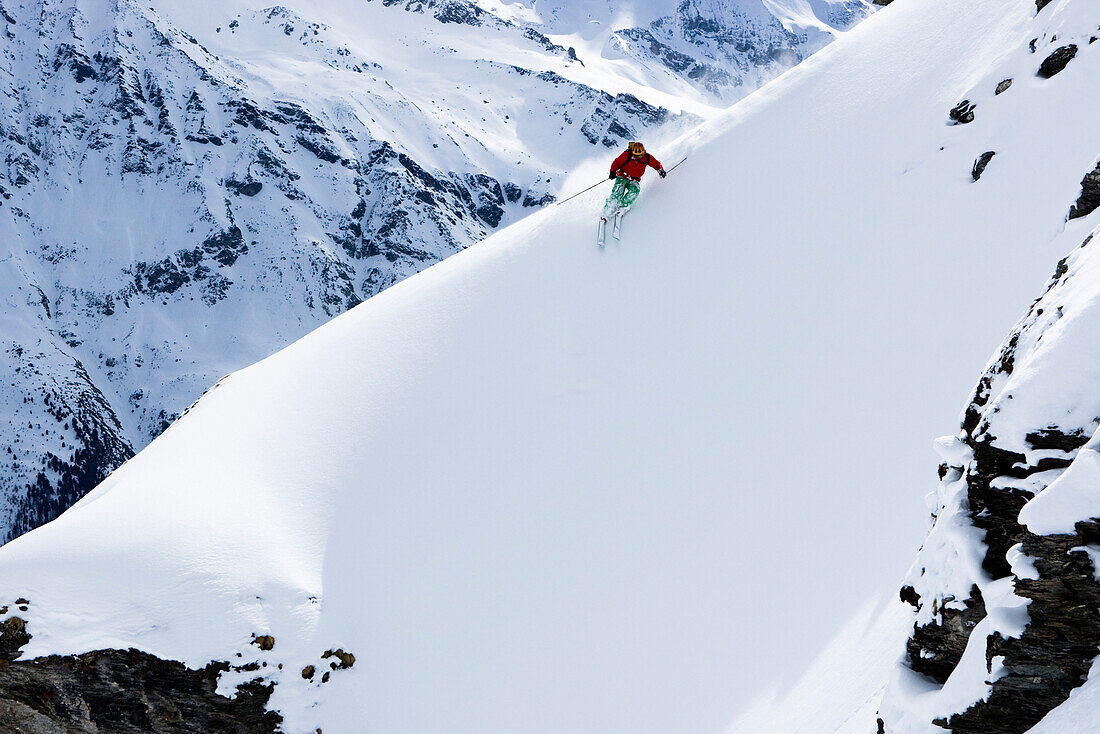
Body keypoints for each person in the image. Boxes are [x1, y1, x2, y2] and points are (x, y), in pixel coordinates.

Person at [603, 142, 666, 220]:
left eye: (640, 155)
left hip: (634, 179)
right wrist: (612, 172)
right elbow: (616, 162)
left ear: (643, 152)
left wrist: (660, 170)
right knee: (617, 192)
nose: (637, 157)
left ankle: (622, 206)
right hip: (622, 176)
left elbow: (656, 164)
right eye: (635, 155)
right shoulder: (627, 154)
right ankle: (607, 211)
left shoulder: (647, 157)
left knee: (635, 191)